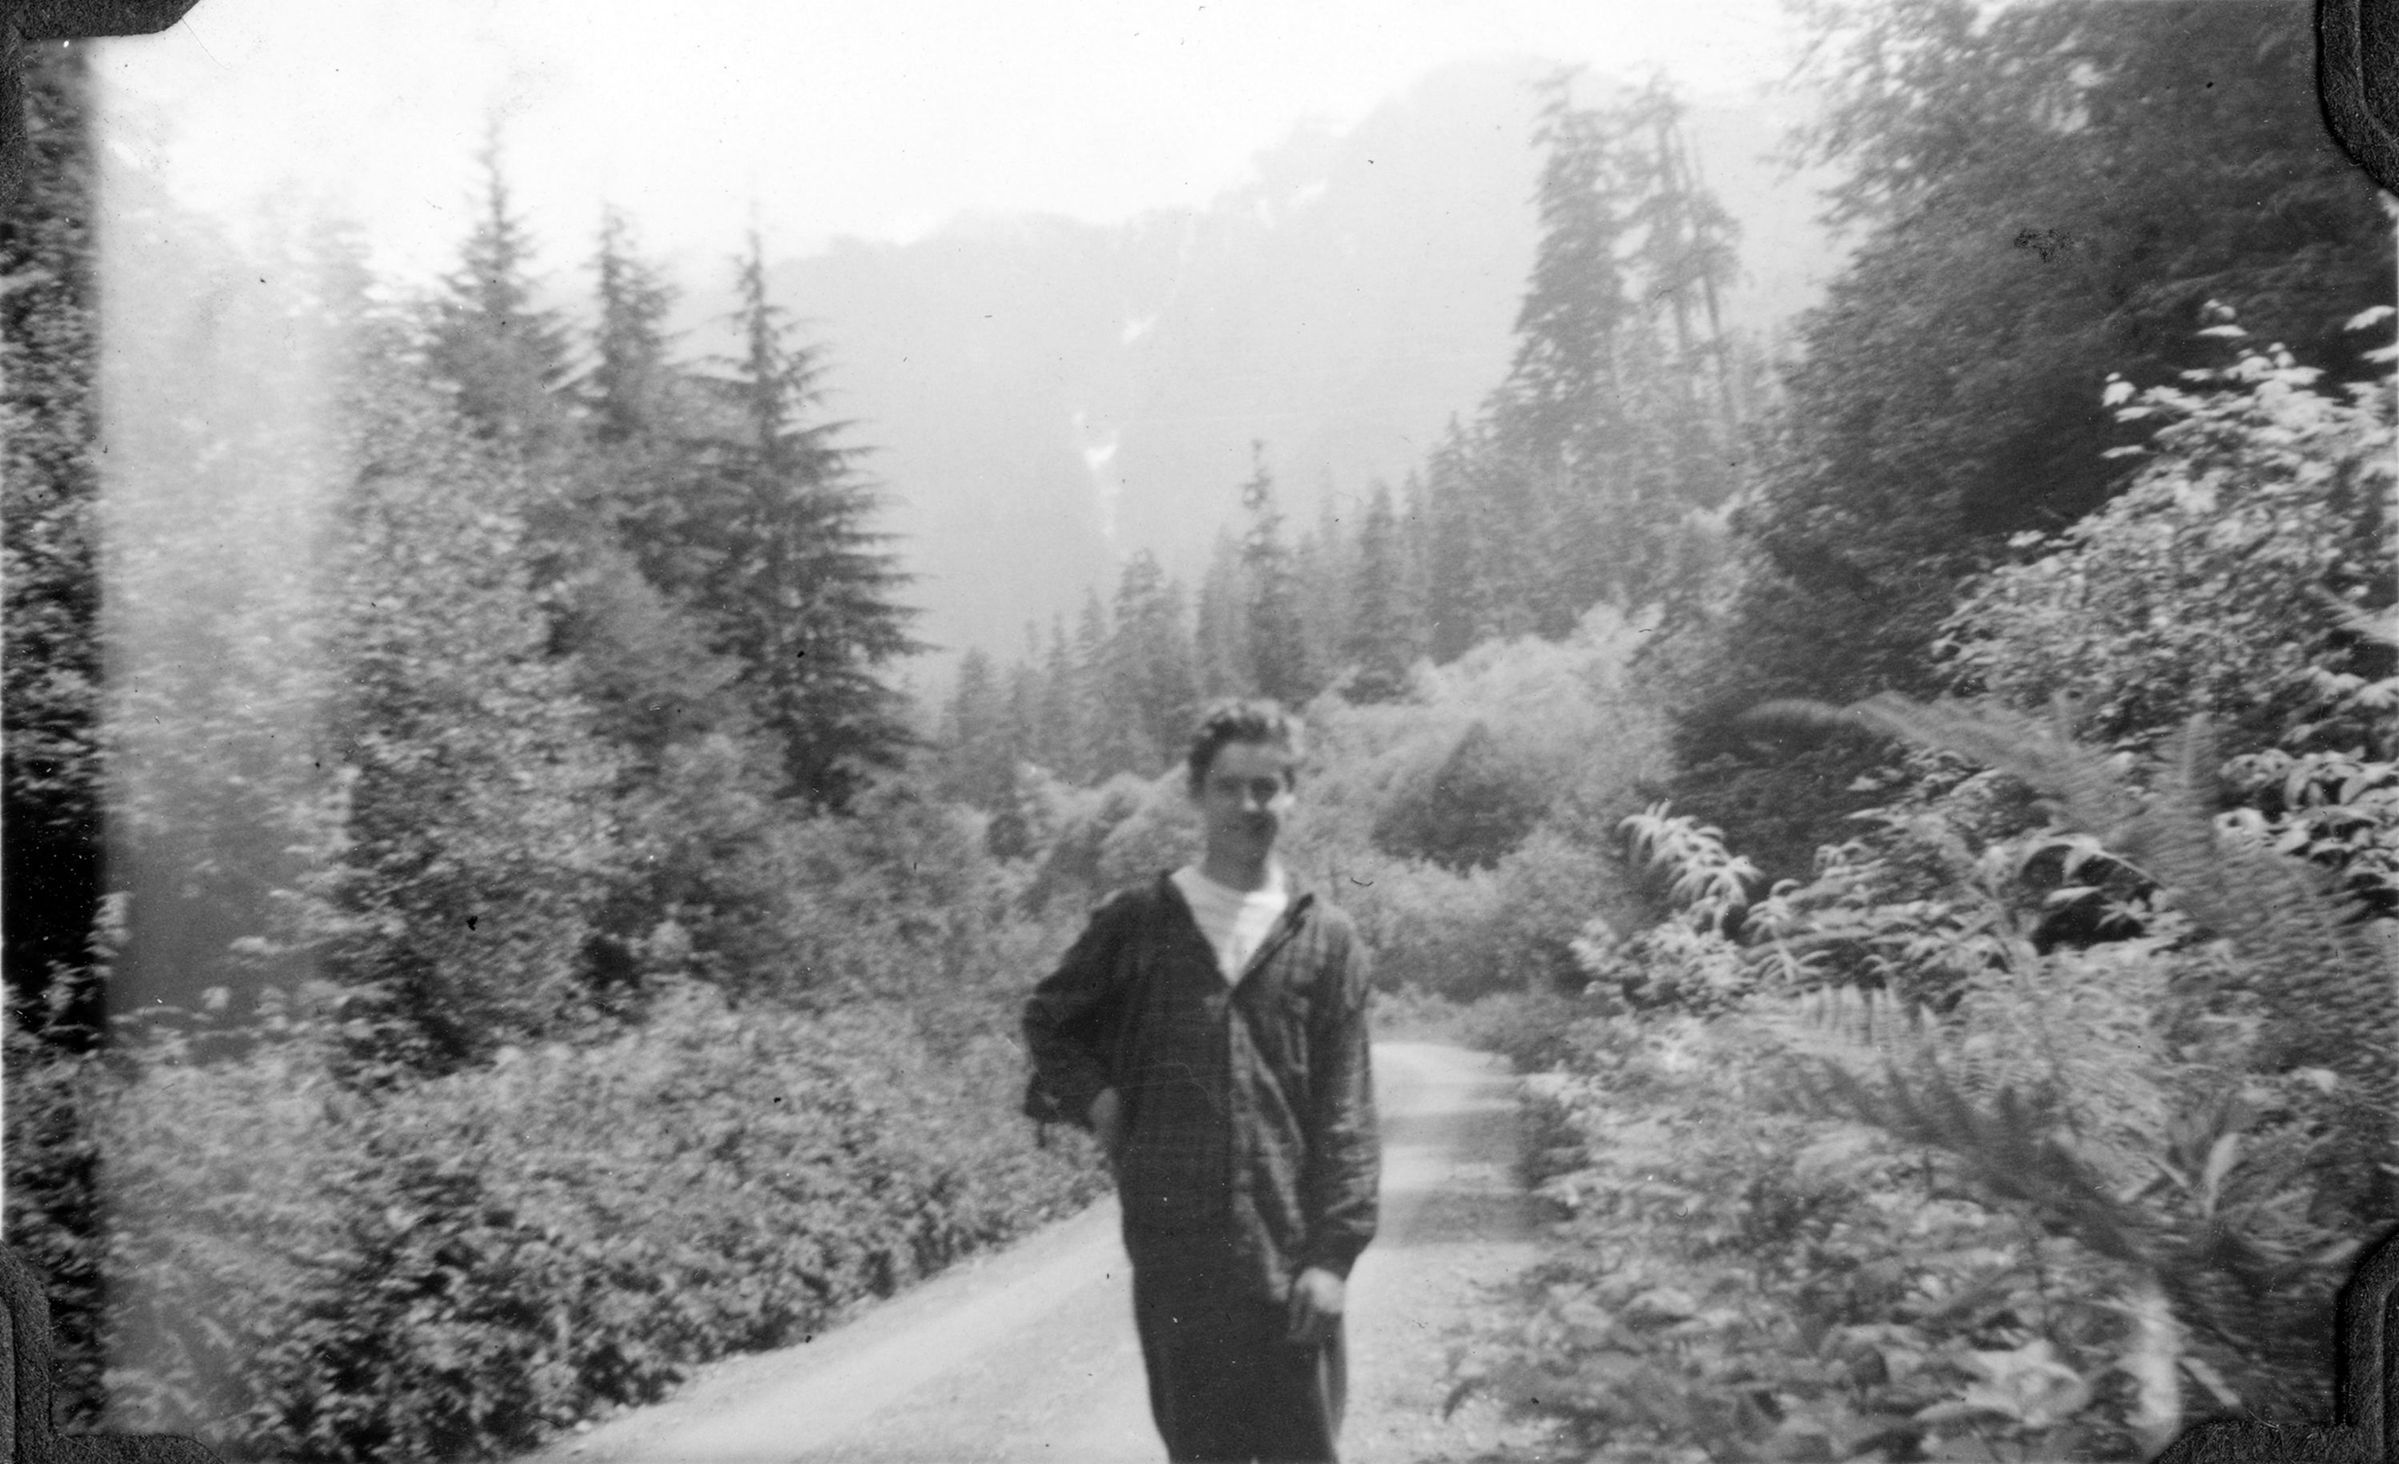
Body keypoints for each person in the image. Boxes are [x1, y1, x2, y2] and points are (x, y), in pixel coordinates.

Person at [1024, 699, 1380, 1464]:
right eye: (1229, 786)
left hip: (1291, 1269)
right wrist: (1100, 1101)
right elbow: (1049, 1021)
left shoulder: (1326, 939)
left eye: (1267, 787)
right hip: (1177, 1268)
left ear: (1291, 796)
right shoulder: (1139, 922)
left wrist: (1332, 1260)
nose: (1249, 805)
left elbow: (1346, 1113)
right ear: (1195, 794)